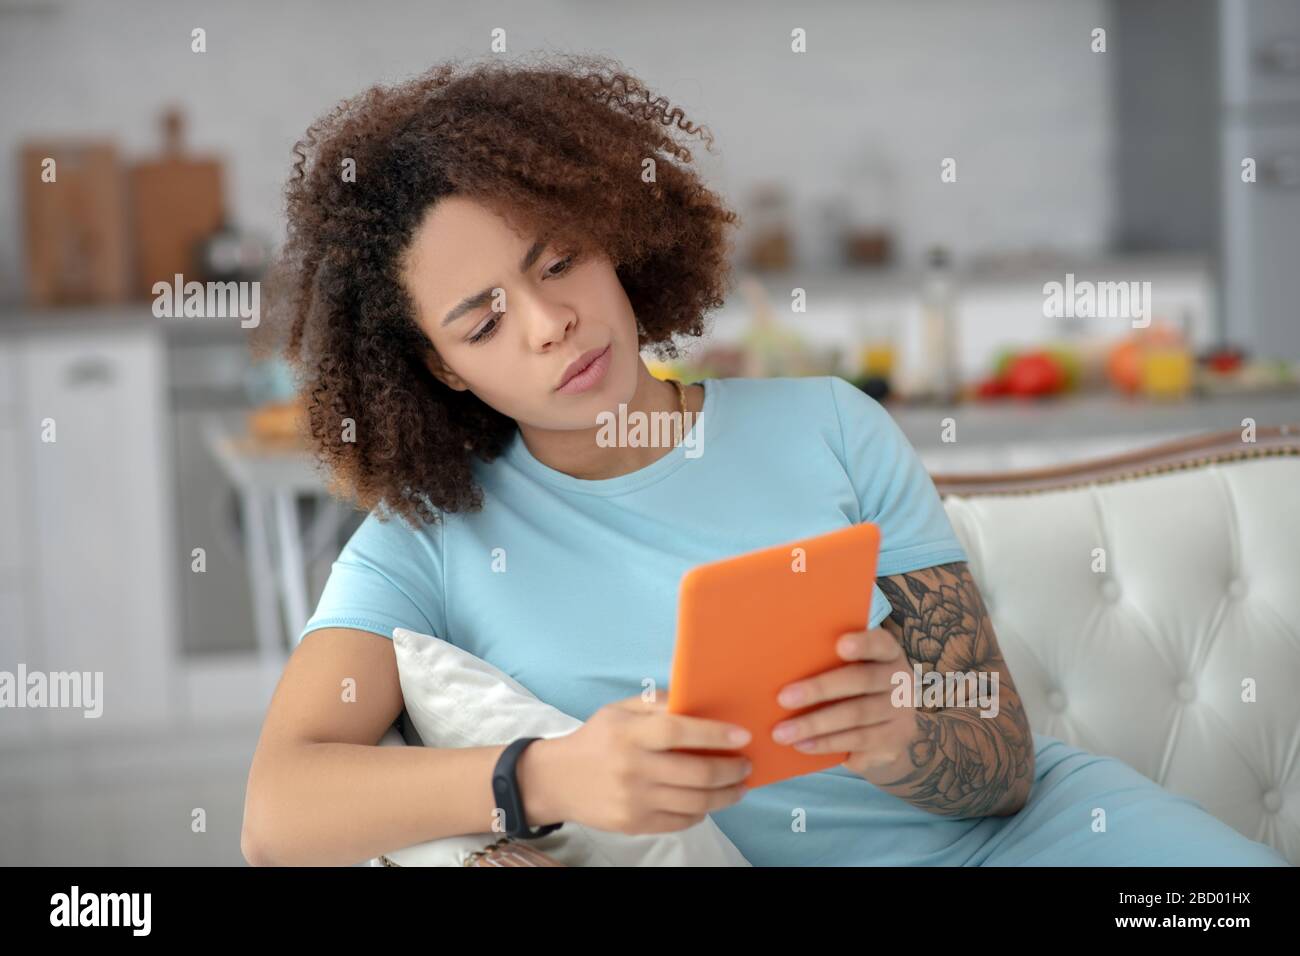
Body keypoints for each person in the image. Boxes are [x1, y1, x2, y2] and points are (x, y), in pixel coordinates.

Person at [240, 54, 1290, 868]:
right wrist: (547, 774)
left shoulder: (829, 423)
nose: (553, 322)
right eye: (484, 320)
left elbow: (1004, 763)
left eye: (559, 259)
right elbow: (275, 808)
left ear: (612, 234)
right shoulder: (428, 538)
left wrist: (905, 735)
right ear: (441, 369)